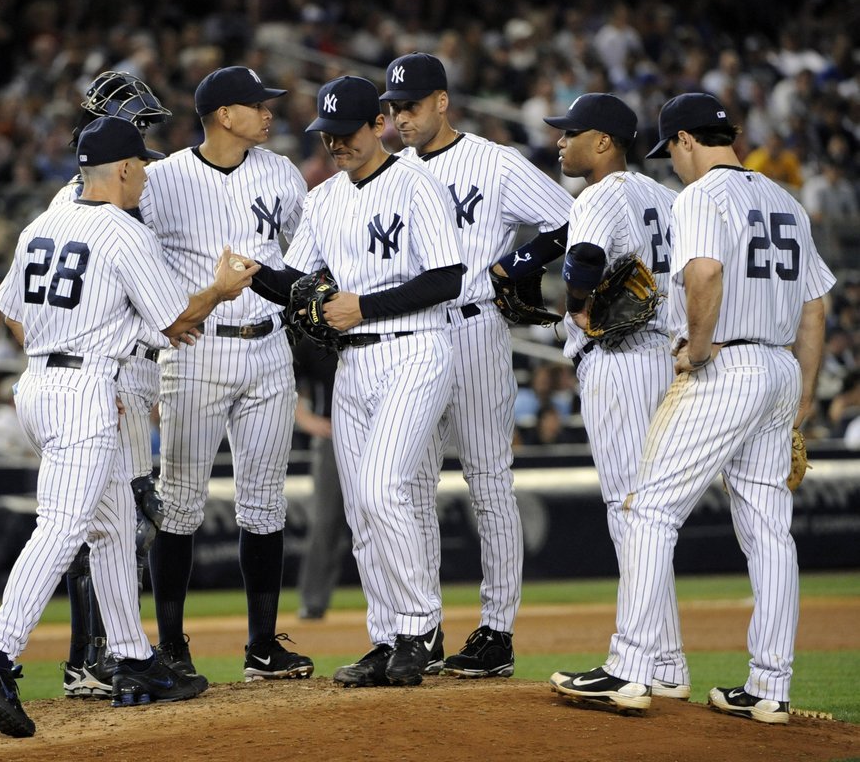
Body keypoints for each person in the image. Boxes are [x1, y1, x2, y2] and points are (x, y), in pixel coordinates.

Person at [0, 115, 256, 737]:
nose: (145, 175)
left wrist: (77, 356)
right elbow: (175, 320)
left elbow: (10, 311)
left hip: (41, 384)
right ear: (123, 169)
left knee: (113, 525)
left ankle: (134, 659)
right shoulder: (122, 231)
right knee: (63, 526)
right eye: (141, 165)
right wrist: (222, 290)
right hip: (83, 391)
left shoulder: (43, 222)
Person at [550, 93, 835, 724]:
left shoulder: (702, 195)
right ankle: (769, 687)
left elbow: (704, 273)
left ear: (684, 140)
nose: (672, 163)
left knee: (648, 509)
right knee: (769, 531)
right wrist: (804, 398)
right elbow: (815, 307)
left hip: (724, 364)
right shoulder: (786, 201)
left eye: (671, 150)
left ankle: (631, 669)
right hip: (779, 370)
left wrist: (698, 350)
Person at [238, 74, 464, 687]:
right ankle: (388, 637)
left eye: (346, 132)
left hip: (416, 348)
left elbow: (447, 277)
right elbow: (300, 284)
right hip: (354, 362)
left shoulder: (417, 181)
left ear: (377, 125)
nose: (336, 143)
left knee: (385, 488)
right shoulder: (324, 199)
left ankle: (420, 630)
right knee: (362, 509)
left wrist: (362, 306)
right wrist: (255, 272)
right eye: (327, 134)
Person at [380, 52, 573, 678]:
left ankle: (497, 632)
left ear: (442, 102)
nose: (400, 118)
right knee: (410, 486)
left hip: (473, 329)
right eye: (393, 108)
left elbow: (568, 220)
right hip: (410, 335)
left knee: (488, 482)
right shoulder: (391, 172)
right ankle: (421, 628)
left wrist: (516, 264)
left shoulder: (494, 161)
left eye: (410, 105)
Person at [138, 66, 313, 682]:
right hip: (196, 349)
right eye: (257, 104)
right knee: (180, 505)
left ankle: (263, 646)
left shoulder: (281, 172)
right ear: (223, 115)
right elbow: (125, 249)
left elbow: (308, 253)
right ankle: (170, 647)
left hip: (269, 347)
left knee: (265, 504)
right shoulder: (162, 179)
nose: (269, 113)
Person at [542, 93, 690, 699]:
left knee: (630, 512)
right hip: (667, 357)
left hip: (622, 362)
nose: (559, 141)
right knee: (648, 515)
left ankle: (633, 667)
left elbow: (583, 259)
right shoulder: (667, 197)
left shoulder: (599, 195)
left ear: (603, 142)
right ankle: (666, 664)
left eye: (570, 132)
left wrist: (575, 307)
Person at [49, 70, 177, 699]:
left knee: (124, 515)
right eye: (138, 123)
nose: (145, 135)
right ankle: (91, 658)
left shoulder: (130, 188)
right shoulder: (78, 200)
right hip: (102, 372)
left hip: (130, 368)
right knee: (109, 518)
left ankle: (114, 654)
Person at [292, 337, 348, 620]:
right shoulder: (314, 338)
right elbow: (286, 381)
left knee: (384, 515)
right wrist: (305, 419)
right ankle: (313, 601)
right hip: (332, 436)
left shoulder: (374, 326)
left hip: (378, 430)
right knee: (326, 520)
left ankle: (399, 602)